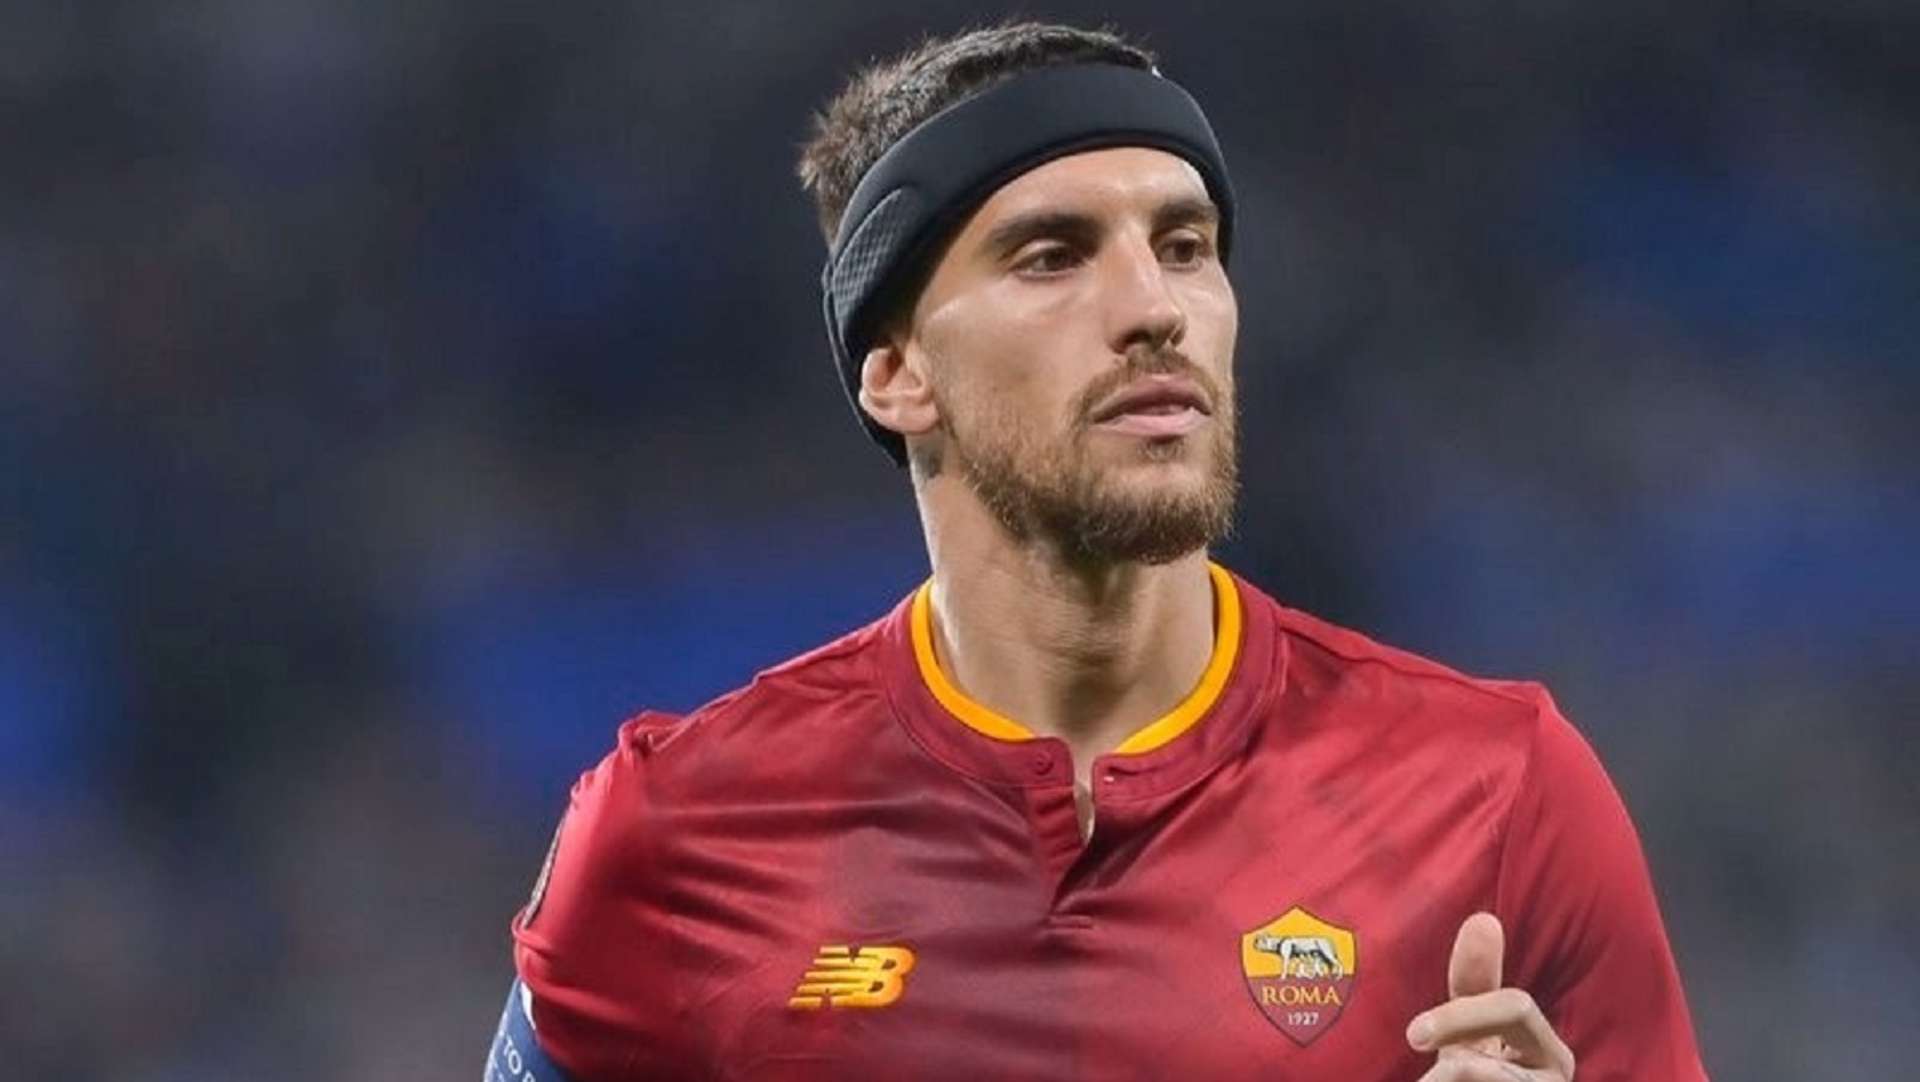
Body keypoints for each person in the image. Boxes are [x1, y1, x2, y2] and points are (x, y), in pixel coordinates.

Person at [483, 22, 1705, 1081]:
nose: (1154, 307)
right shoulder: (675, 834)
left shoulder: (1498, 794)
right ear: (899, 373)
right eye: (1053, 255)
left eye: (1185, 245)